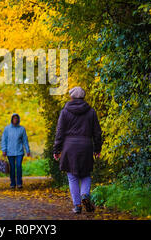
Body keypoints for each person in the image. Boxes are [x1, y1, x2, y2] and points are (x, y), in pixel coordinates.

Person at [53, 86, 102, 214]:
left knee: (72, 176)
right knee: (86, 174)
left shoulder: (65, 111)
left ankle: (77, 205)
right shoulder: (91, 112)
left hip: (70, 147)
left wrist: (56, 149)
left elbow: (60, 132)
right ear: (83, 97)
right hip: (86, 145)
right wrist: (97, 149)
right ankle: (85, 194)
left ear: (71, 97)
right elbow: (97, 132)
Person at [1, 113, 31, 189]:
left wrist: (27, 150)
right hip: (9, 151)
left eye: (16, 118)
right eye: (14, 118)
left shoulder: (22, 129)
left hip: (19, 151)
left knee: (18, 166)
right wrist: (4, 150)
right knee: (12, 167)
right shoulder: (7, 129)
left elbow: (25, 140)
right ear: (12, 119)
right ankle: (12, 183)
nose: (15, 119)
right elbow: (4, 140)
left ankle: (19, 183)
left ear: (18, 119)